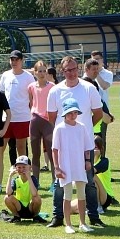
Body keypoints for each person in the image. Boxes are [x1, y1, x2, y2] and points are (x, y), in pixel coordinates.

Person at [46, 56, 105, 229]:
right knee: (60, 183)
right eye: (67, 70)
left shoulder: (88, 88)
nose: (71, 73)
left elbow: (98, 113)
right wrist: (66, 132)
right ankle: (57, 217)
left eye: (73, 69)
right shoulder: (55, 91)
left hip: (83, 146)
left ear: (78, 69)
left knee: (88, 181)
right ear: (62, 72)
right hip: (63, 146)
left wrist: (82, 131)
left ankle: (93, 216)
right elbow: (51, 117)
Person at [51, 98, 94, 234]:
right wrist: (57, 167)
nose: (73, 115)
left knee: (82, 194)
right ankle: (68, 224)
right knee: (67, 195)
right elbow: (55, 149)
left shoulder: (81, 127)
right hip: (65, 166)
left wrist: (87, 160)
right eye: (70, 112)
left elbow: (87, 147)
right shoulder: (59, 128)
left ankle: (82, 222)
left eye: (75, 112)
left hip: (79, 165)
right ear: (65, 113)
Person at [0, 50, 34, 166]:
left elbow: (32, 97)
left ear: (21, 61)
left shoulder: (28, 77)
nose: (14, 62)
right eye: (12, 59)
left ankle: (23, 175)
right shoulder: (5, 75)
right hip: (6, 118)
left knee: (21, 148)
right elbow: (1, 95)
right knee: (0, 148)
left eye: (16, 60)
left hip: (22, 117)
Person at [27, 61, 56, 187]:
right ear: (35, 72)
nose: (42, 73)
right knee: (35, 153)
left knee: (51, 153)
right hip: (34, 121)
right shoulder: (31, 87)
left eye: (44, 71)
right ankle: (36, 182)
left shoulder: (52, 87)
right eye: (40, 71)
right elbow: (31, 103)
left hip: (48, 122)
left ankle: (55, 182)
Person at [3, 155, 44, 223]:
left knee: (37, 198)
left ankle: (35, 216)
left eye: (24, 167)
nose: (21, 169)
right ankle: (16, 216)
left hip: (31, 208)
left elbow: (34, 194)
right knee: (7, 198)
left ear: (30, 168)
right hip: (19, 207)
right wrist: (10, 176)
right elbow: (8, 192)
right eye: (19, 167)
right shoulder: (16, 180)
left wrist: (29, 177)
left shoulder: (33, 179)